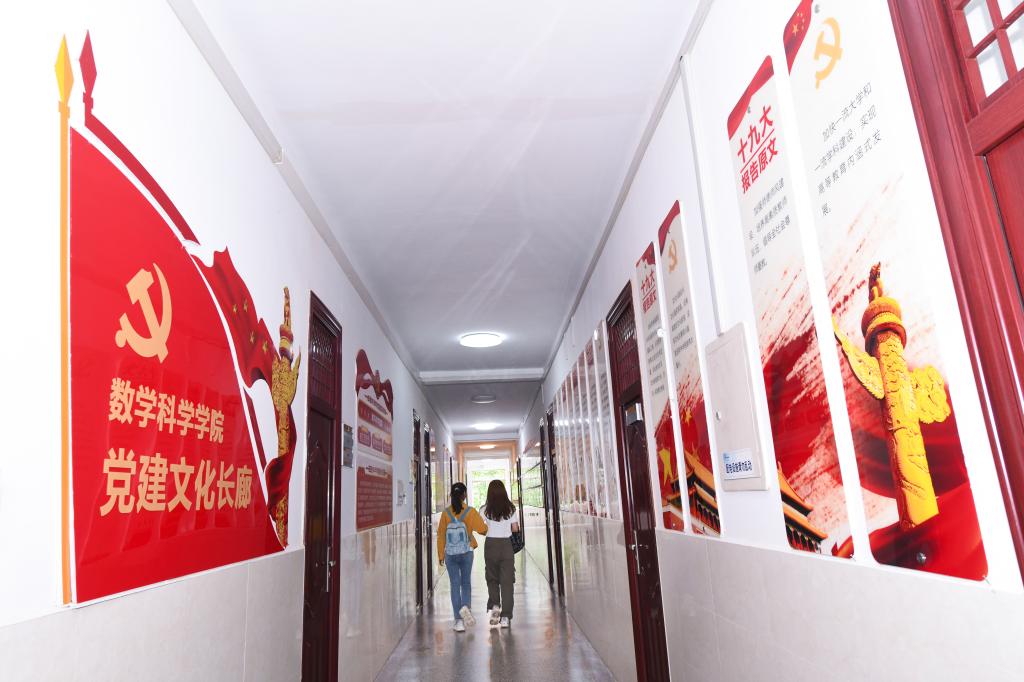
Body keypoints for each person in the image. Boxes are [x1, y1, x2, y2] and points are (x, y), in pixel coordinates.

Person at [436, 482, 487, 632]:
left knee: (454, 585)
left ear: (451, 495)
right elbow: (483, 529)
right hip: (466, 552)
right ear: (464, 495)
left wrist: (441, 555)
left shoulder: (446, 513)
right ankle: (465, 607)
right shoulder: (470, 511)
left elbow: (441, 535)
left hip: (450, 554)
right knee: (465, 583)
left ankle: (458, 622)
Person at [482, 479, 519, 628]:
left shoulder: (484, 509)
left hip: (490, 545)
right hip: (506, 546)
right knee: (507, 582)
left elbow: (481, 528)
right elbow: (515, 529)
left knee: (492, 578)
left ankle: (495, 605)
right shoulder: (511, 508)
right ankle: (505, 617)